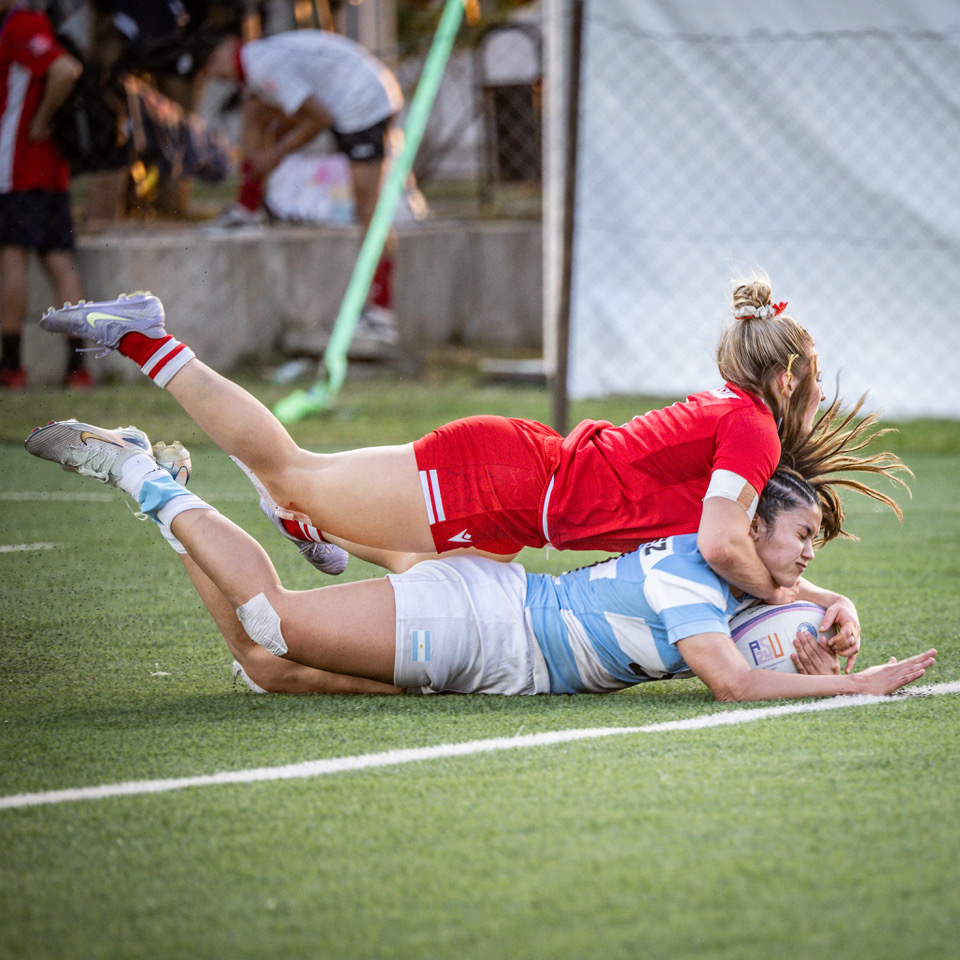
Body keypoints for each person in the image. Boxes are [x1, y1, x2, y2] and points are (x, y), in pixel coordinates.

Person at [38, 280, 908, 645]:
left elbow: (725, 543)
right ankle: (148, 337)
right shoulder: (754, 427)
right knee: (292, 469)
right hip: (507, 484)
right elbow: (721, 546)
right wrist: (798, 599)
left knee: (420, 576)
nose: (816, 394)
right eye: (814, 376)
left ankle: (308, 519)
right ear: (787, 375)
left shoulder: (737, 412)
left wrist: (820, 596)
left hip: (517, 488)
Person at [23, 421, 936, 700]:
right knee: (272, 624)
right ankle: (141, 473)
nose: (806, 557)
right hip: (485, 626)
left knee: (267, 670)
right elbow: (730, 682)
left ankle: (173, 499)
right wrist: (851, 687)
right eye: (802, 537)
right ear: (752, 527)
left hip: (501, 639)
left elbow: (769, 618)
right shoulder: (692, 573)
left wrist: (824, 620)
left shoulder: (724, 563)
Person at [202, 26, 404, 350]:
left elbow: (318, 118)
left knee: (369, 209)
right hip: (350, 97)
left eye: (214, 61)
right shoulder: (256, 69)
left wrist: (277, 153)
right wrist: (272, 151)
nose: (215, 73)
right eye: (208, 68)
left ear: (229, 45)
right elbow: (300, 113)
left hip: (364, 102)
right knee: (255, 108)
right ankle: (248, 208)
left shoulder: (260, 65)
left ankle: (381, 315)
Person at [0, 0, 92, 390]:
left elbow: (65, 69)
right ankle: (78, 369)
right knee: (59, 261)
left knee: (12, 258)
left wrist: (41, 120)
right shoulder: (34, 21)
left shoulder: (20, 24)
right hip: (50, 170)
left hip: (19, 167)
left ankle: (11, 368)